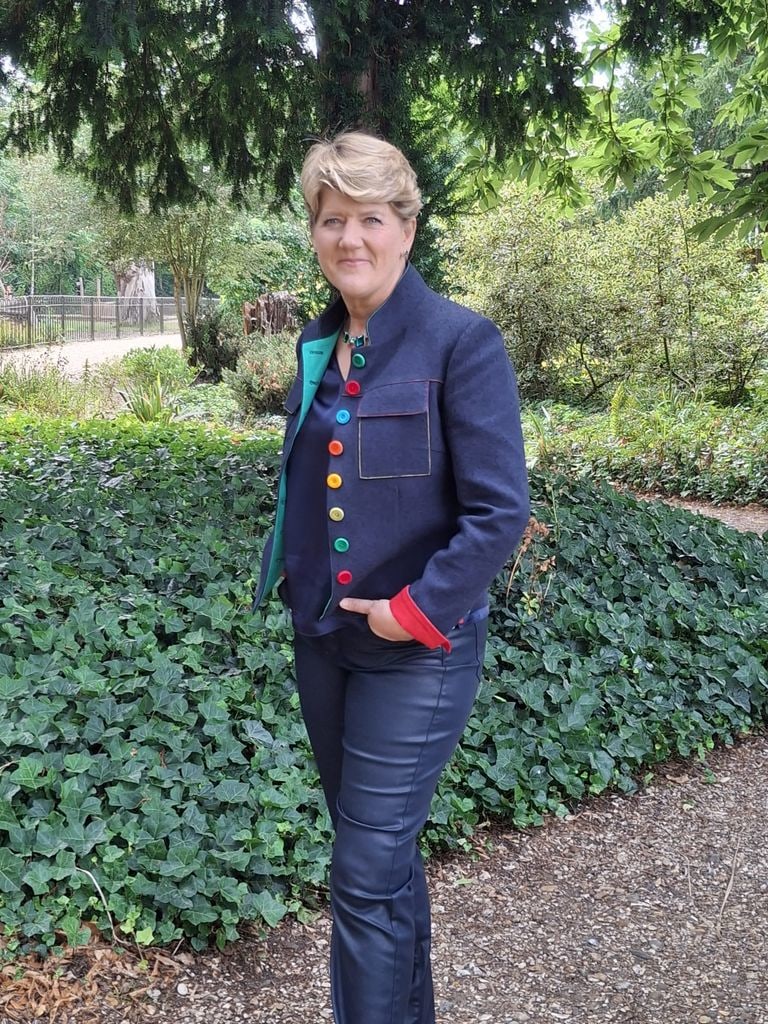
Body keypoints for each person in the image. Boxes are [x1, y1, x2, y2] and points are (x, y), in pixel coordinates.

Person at [254, 131, 529, 1024]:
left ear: (406, 229)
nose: (351, 239)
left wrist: (412, 611)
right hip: (323, 645)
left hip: (417, 651)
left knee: (363, 876)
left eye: (371, 218)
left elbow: (500, 514)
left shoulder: (461, 342)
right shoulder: (315, 345)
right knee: (381, 859)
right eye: (333, 220)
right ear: (316, 235)